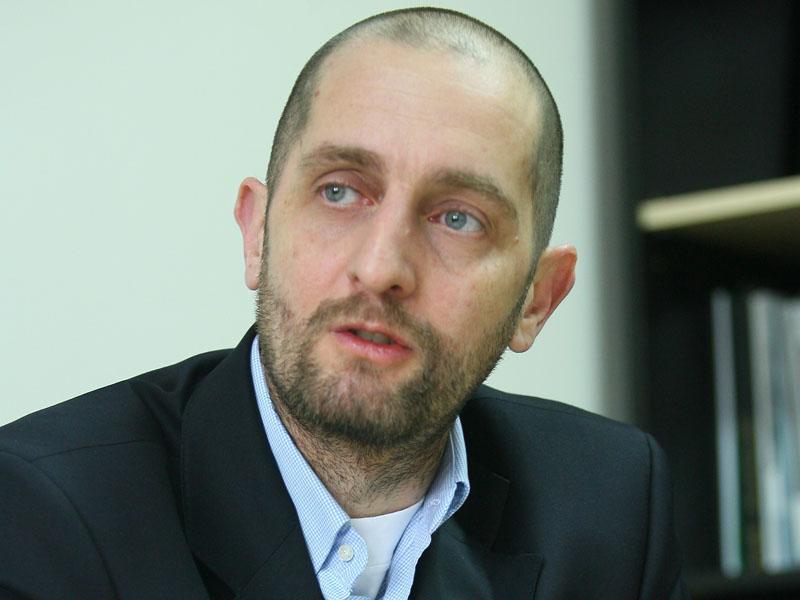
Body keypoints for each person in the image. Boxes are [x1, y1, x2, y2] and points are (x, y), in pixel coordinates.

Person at [0, 8, 688, 600]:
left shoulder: (613, 504)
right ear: (257, 233)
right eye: (340, 191)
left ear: (538, 298)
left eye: (458, 218)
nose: (381, 269)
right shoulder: (41, 515)